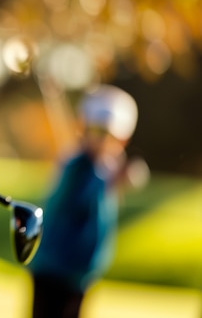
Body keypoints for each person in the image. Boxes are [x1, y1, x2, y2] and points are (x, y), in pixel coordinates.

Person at [27, 84, 148, 318]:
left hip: (80, 274)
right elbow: (86, 193)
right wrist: (114, 177)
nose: (101, 140)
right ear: (84, 130)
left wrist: (117, 176)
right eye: (96, 131)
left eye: (109, 135)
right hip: (54, 269)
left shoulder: (105, 168)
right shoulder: (77, 165)